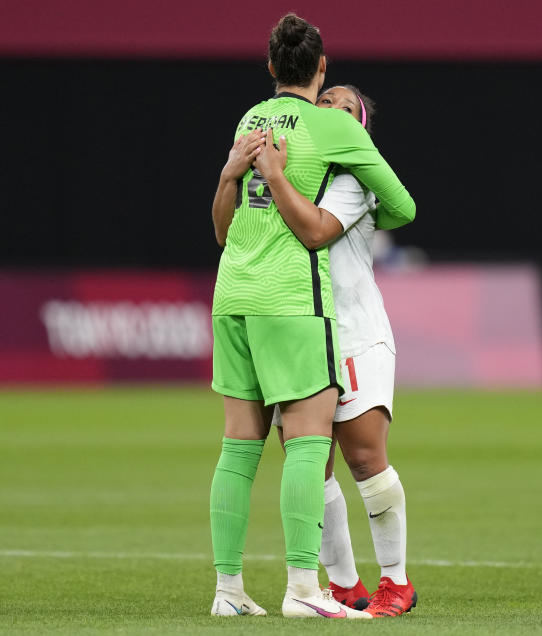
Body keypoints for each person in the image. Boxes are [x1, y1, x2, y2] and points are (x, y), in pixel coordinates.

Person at [207, 13, 414, 620]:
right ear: (319, 67)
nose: (335, 104)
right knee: (308, 446)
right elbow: (393, 207)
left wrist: (247, 174)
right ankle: (308, 589)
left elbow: (224, 230)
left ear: (271, 67)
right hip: (296, 302)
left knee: (243, 449)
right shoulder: (328, 130)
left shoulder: (252, 121)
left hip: (236, 294)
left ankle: (230, 590)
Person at [254, 84, 418, 618]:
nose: (329, 112)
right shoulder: (301, 175)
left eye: (345, 108)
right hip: (302, 329)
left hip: (354, 331)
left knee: (365, 456)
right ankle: (345, 586)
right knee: (311, 461)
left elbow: (313, 234)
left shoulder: (353, 182)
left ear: (360, 131)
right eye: (324, 104)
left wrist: (274, 176)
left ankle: (396, 581)